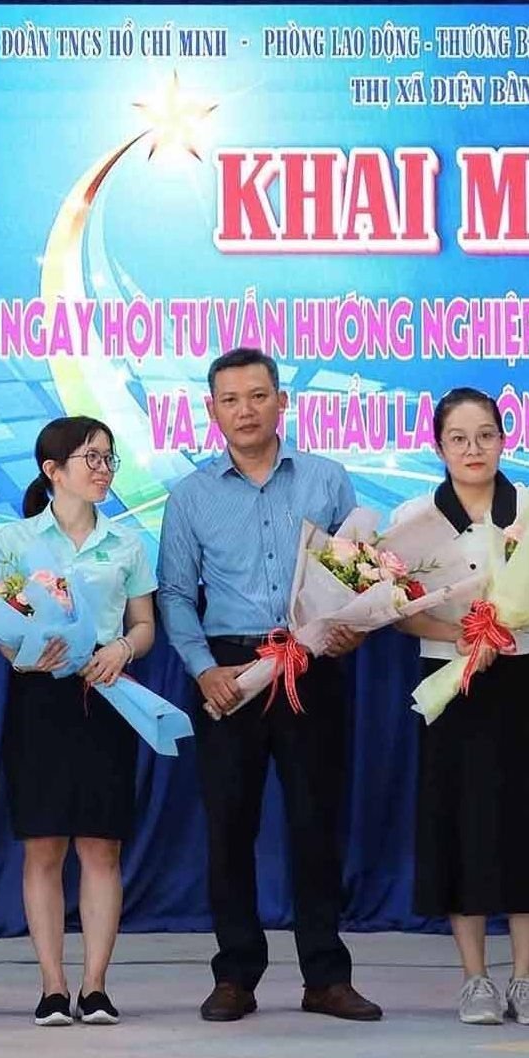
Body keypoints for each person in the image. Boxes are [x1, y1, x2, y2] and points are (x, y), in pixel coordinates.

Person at [154, 347, 381, 1023]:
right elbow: (172, 592)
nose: (245, 410)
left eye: (259, 396)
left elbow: (360, 575)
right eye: (231, 399)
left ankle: (326, 976)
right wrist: (202, 669)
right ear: (211, 409)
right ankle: (236, 975)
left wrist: (356, 628)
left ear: (283, 401)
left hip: (314, 661)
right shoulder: (190, 494)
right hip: (231, 670)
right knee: (229, 825)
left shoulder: (326, 479)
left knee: (317, 822)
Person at [390, 388, 529, 1026]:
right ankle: (476, 978)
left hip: (528, 678)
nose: (473, 449)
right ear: (439, 447)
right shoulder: (413, 518)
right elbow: (394, 611)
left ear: (504, 438)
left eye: (485, 435)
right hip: (454, 683)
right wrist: (452, 635)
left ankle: (527, 978)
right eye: (459, 438)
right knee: (463, 820)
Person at [0, 416, 157, 1027]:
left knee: (101, 846)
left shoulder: (127, 543)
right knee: (42, 846)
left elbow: (143, 624)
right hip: (40, 698)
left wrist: (124, 649)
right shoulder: (15, 540)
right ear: (51, 470)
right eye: (90, 458)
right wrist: (23, 649)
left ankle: (95, 986)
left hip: (107, 695)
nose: (103, 470)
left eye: (109, 459)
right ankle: (52, 988)